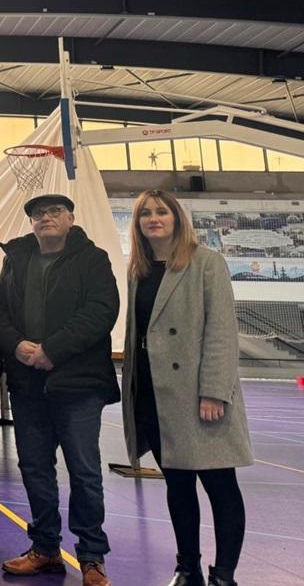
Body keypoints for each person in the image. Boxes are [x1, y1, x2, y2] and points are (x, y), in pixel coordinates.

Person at [122, 190, 251, 586]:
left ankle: (224, 574)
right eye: (146, 213)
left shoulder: (206, 263)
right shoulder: (138, 270)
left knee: (220, 485)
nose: (153, 218)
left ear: (177, 218)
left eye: (161, 212)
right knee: (177, 487)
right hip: (154, 394)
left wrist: (214, 390)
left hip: (199, 396)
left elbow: (222, 332)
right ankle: (187, 567)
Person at [0, 193, 119, 586]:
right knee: (34, 469)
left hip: (78, 385)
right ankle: (45, 548)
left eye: (54, 212)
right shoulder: (16, 259)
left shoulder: (92, 259)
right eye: (38, 213)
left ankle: (92, 556)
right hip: (29, 385)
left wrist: (53, 350)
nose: (45, 218)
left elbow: (101, 310)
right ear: (31, 222)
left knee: (83, 472)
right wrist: (16, 345)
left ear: (70, 218)